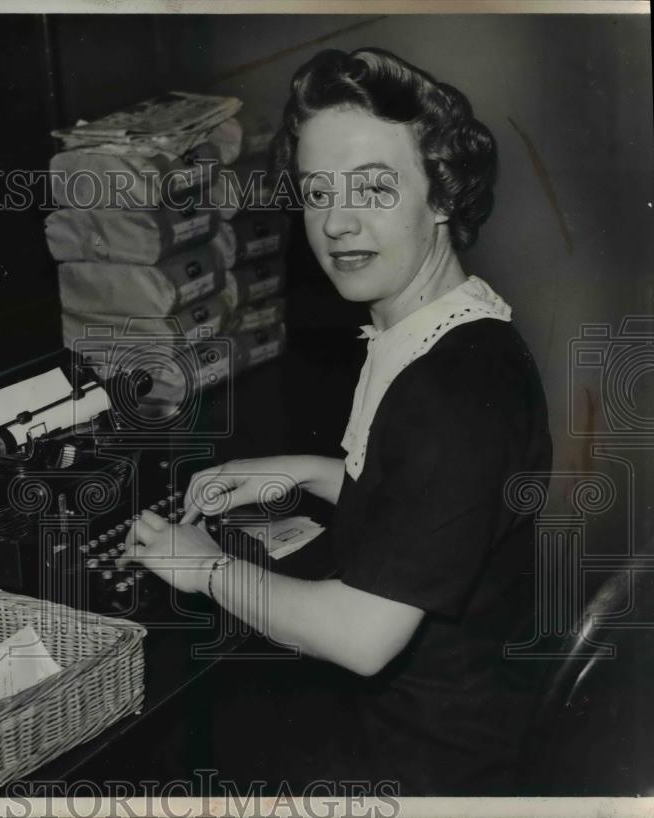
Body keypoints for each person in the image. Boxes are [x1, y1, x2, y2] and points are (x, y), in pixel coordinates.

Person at [117, 47, 552, 794]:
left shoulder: (451, 393)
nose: (338, 225)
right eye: (318, 193)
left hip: (427, 768)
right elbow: (434, 509)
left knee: (154, 758)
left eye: (373, 188)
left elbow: (360, 638)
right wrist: (303, 470)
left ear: (442, 195)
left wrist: (204, 567)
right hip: (450, 715)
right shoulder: (450, 333)